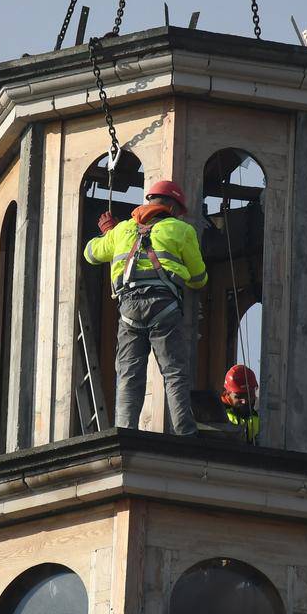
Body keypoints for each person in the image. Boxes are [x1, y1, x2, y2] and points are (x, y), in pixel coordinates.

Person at [83, 178, 208, 435]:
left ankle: (125, 432)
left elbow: (90, 253)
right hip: (163, 307)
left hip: (128, 309)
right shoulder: (181, 230)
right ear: (173, 207)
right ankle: (184, 431)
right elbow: (199, 278)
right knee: (174, 373)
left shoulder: (122, 231)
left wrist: (109, 234)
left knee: (129, 375)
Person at [220, 363, 261, 443]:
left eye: (249, 395)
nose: (245, 401)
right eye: (238, 397)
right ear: (227, 394)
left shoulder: (259, 419)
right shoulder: (218, 416)